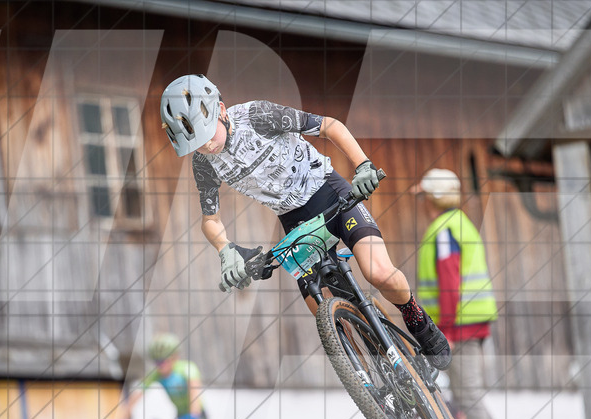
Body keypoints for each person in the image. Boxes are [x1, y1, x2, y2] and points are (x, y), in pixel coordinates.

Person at [159, 73, 452, 372]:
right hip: (294, 220)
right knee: (321, 309)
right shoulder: (203, 162)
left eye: (208, 136)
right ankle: (383, 368)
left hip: (329, 192)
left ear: (220, 111)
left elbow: (329, 126)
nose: (206, 147)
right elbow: (210, 219)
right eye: (195, 144)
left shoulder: (257, 116)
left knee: (378, 272)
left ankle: (417, 319)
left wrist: (362, 165)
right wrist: (224, 250)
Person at [415, 168, 506, 419]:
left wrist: (447, 332)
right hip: (469, 323)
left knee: (467, 394)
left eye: (424, 197)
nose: (422, 203)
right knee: (468, 391)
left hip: (460, 326)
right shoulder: (457, 224)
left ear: (433, 199)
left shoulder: (444, 231)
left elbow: (449, 282)